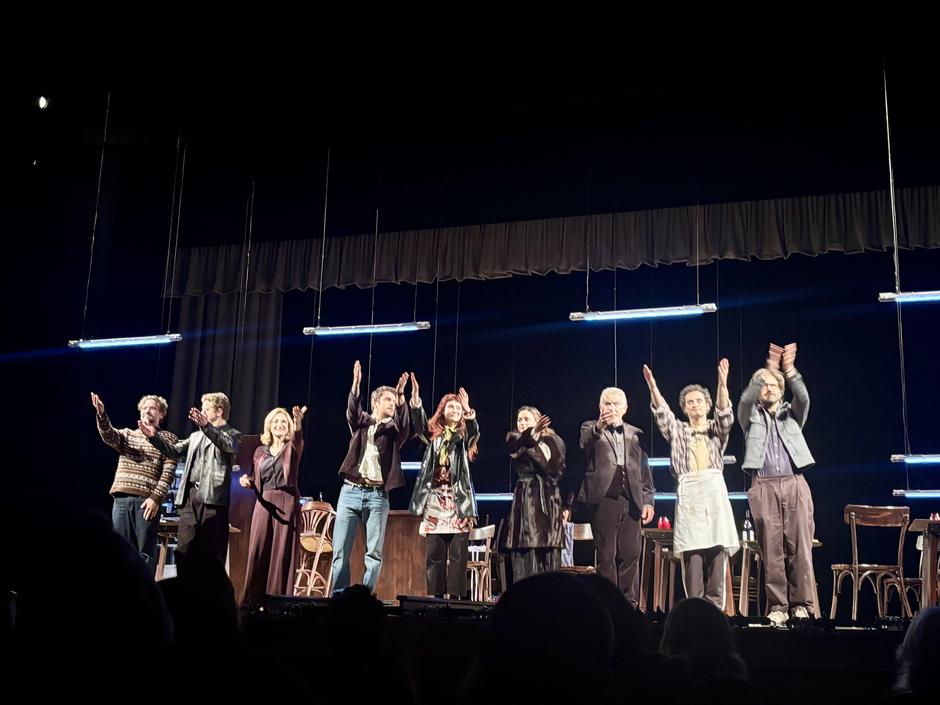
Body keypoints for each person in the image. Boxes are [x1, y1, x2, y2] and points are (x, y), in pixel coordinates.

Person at [643, 359, 739, 609]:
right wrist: (653, 387)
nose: (694, 404)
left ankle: (715, 609)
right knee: (692, 553)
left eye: (698, 401)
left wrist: (722, 383)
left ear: (707, 405)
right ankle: (694, 608)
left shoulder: (716, 430)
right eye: (689, 402)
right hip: (689, 493)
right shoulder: (678, 431)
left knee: (717, 548)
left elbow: (724, 413)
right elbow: (662, 414)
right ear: (684, 408)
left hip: (714, 492)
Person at [739, 342, 816, 625]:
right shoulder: (750, 417)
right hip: (764, 485)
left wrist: (789, 370)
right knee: (771, 549)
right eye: (764, 385)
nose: (769, 388)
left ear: (781, 391)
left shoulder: (791, 415)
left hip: (794, 482)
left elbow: (804, 398)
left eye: (774, 385)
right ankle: (778, 607)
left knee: (800, 547)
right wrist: (767, 369)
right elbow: (744, 401)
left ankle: (802, 605)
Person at [332, 361, 410, 594]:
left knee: (373, 553)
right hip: (350, 492)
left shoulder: (394, 431)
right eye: (388, 399)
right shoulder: (361, 423)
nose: (392, 403)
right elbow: (352, 411)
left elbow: (405, 424)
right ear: (376, 402)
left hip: (377, 496)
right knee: (340, 551)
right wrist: (356, 385)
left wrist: (402, 396)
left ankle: (365, 598)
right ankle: (339, 597)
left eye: (394, 401)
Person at [142, 392, 241, 570]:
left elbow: (226, 444)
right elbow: (174, 451)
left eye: (206, 409)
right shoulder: (196, 436)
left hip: (213, 499)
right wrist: (153, 438)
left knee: (212, 551)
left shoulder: (233, 434)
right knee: (185, 547)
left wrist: (207, 426)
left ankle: (210, 587)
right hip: (191, 497)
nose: (202, 413)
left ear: (219, 411)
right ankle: (185, 585)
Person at [577, 387, 654, 606]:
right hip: (604, 500)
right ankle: (609, 604)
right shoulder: (590, 428)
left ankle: (629, 605)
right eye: (607, 403)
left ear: (625, 408)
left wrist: (648, 500)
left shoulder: (636, 433)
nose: (611, 408)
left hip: (632, 500)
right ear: (600, 406)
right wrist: (600, 425)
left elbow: (644, 469)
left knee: (631, 554)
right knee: (607, 556)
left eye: (616, 403)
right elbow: (585, 443)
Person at [91, 392, 178, 576]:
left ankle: (144, 592)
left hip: (146, 502)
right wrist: (102, 415)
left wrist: (155, 498)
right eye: (144, 408)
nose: (148, 411)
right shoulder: (128, 435)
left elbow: (169, 472)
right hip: (121, 500)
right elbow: (109, 436)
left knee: (144, 554)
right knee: (120, 550)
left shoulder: (168, 439)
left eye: (152, 408)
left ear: (161, 414)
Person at [409, 377, 479, 598]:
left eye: (458, 408)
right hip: (434, 501)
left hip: (458, 501)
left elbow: (474, 433)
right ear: (443, 411)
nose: (455, 410)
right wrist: (416, 400)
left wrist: (468, 410)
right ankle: (436, 599)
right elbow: (419, 425)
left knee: (458, 555)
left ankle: (457, 599)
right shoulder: (433, 436)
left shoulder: (463, 437)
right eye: (451, 407)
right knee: (435, 554)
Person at [240, 404, 307, 606]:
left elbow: (298, 439)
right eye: (275, 421)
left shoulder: (292, 447)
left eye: (283, 422)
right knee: (258, 549)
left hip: (286, 503)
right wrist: (247, 480)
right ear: (268, 425)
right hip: (264, 503)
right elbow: (256, 476)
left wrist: (297, 424)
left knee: (281, 553)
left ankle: (277, 601)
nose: (279, 424)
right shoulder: (260, 451)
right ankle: (252, 600)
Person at [504, 405, 566, 580]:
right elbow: (515, 449)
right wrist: (532, 434)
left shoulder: (554, 441)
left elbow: (557, 471)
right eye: (519, 420)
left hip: (550, 500)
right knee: (527, 546)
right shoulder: (516, 439)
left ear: (538, 420)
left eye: (526, 419)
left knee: (551, 549)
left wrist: (567, 505)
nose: (522, 423)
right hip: (528, 498)